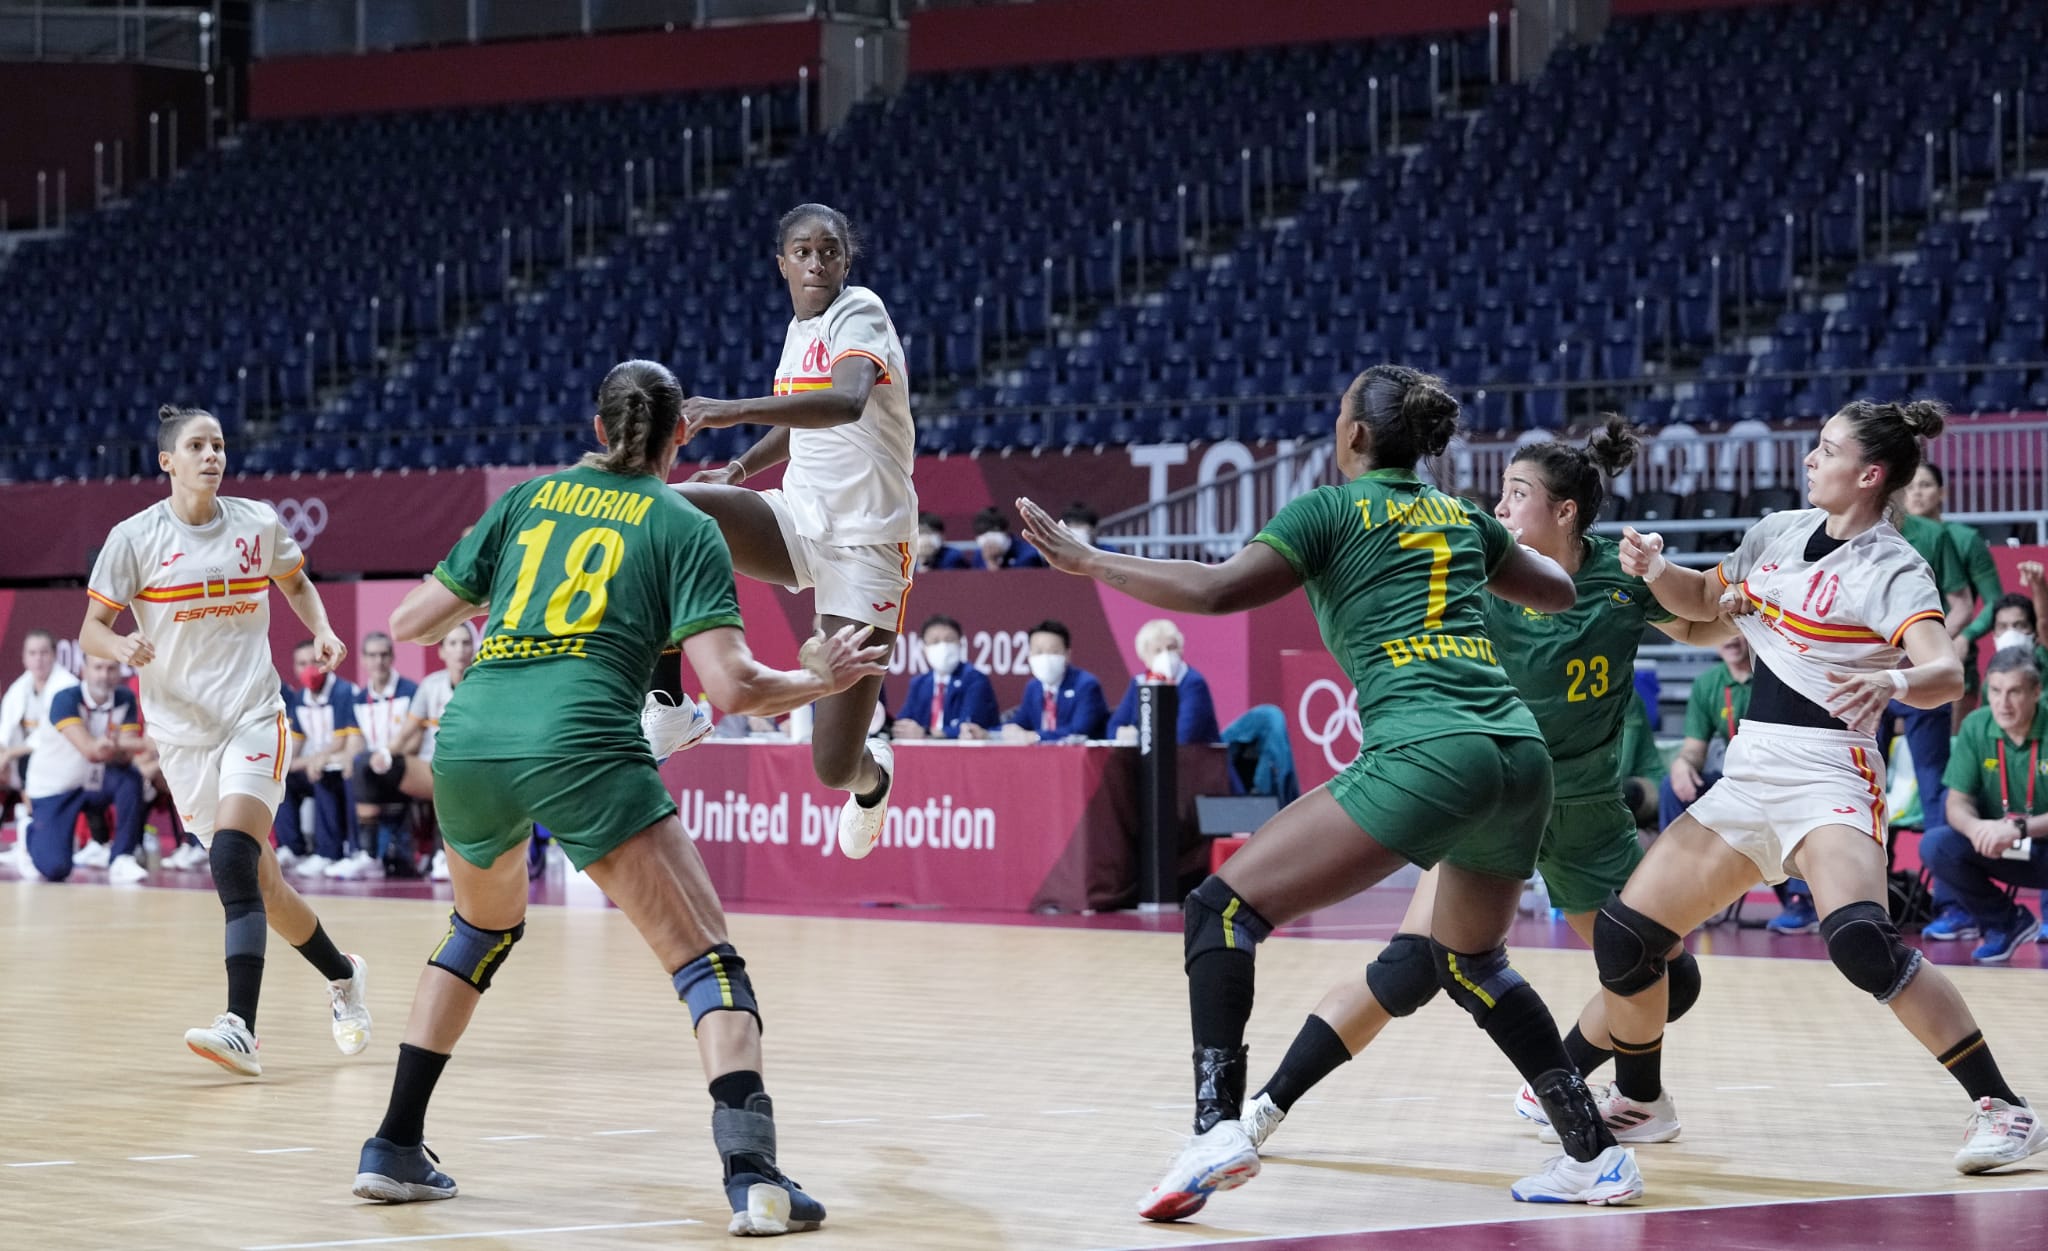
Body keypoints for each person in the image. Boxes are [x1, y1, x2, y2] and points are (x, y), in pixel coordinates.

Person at [1020, 364, 1643, 1215]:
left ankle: (1215, 1129)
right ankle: (1594, 1154)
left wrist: (1092, 561)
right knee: (1471, 958)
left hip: (1432, 748)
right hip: (1519, 753)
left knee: (1221, 910)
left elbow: (1214, 589)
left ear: (1353, 435)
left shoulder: (1328, 510)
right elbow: (1562, 588)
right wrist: (1487, 566)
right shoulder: (1460, 516)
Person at [352, 361, 884, 1236]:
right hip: (583, 741)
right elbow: (736, 687)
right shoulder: (684, 521)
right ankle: (754, 1179)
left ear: (597, 430)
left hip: (474, 737)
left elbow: (410, 622)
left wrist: (503, 595)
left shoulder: (526, 499)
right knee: (708, 964)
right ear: (683, 437)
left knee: (479, 930)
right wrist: (816, 678)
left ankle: (393, 1146)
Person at [1235, 417, 1732, 1156]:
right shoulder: (1477, 567)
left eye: (1516, 493)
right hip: (1499, 792)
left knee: (1663, 975)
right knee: (1409, 969)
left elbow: (1703, 627)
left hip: (1587, 808)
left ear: (1564, 512)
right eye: (1499, 494)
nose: (1499, 508)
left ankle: (1573, 1083)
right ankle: (1267, 1105)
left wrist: (1678, 582)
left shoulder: (1618, 575)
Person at [1607, 399, 2044, 1175]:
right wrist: (1656, 569)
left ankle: (2005, 1109)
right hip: (1752, 769)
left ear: (1869, 474)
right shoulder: (1776, 531)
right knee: (1627, 935)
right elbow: (1705, 605)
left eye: (1827, 448)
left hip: (1829, 772)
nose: (1810, 457)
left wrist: (1897, 682)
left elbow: (1947, 671)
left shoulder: (1892, 567)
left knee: (1860, 943)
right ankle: (1642, 1104)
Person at [81, 404, 370, 1077]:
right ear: (167, 461)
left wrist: (321, 628)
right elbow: (91, 626)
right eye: (197, 445)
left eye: (218, 444)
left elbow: (295, 581)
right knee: (262, 883)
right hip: (182, 736)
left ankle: (240, 1025)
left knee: (235, 857)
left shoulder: (258, 523)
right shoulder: (134, 538)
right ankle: (344, 974)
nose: (212, 455)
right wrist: (120, 641)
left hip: (253, 713)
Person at [674, 203, 913, 863]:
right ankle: (669, 702)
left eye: (829, 250)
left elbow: (845, 400)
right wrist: (744, 465)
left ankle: (876, 777)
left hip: (868, 544)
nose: (816, 262)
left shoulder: (860, 311)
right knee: (670, 508)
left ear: (846, 259)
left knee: (833, 765)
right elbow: (804, 416)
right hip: (801, 514)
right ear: (781, 262)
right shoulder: (797, 327)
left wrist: (730, 411)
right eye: (802, 251)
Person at [1923, 592, 2048, 941]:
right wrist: (1976, 828)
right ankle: (2007, 924)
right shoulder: (1977, 725)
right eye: (1995, 691)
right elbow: (1956, 802)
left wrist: (2019, 829)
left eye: (2014, 692)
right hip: (2003, 844)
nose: (2002, 703)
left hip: (2034, 840)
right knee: (1937, 844)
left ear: (2036, 692)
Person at [22, 655, 149, 883]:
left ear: (120, 672)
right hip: (55, 785)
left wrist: (114, 745)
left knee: (130, 778)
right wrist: (146, 743)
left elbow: (125, 756)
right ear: (84, 670)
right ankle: (29, 832)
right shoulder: (65, 699)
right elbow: (91, 751)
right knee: (56, 869)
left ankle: (122, 857)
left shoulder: (125, 697)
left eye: (111, 668)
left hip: (94, 780)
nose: (104, 675)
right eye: (98, 667)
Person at [1904, 464, 2009, 691]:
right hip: (1900, 654)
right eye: (1909, 487)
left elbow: (1996, 602)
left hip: (1954, 653)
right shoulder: (1891, 538)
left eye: (1925, 485)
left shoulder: (1967, 539)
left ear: (1943, 492)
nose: (1916, 493)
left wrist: (1965, 636)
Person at [276, 639, 368, 880]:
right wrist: (286, 765)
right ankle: (292, 848)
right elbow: (295, 746)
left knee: (323, 774)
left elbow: (341, 742)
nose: (309, 669)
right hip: (313, 763)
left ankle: (330, 852)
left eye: (315, 663)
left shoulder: (344, 692)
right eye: (302, 664)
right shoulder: (298, 700)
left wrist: (317, 760)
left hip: (339, 765)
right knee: (279, 777)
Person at [394, 625, 475, 882]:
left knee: (450, 775)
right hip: (431, 764)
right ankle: (375, 853)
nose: (460, 650)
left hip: (471, 766)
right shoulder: (431, 685)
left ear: (473, 648)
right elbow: (408, 730)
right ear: (441, 651)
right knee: (369, 769)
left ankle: (444, 854)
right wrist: (385, 752)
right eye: (452, 644)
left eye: (465, 643)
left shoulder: (484, 682)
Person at [2, 629, 81, 867]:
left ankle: (33, 833)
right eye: (33, 653)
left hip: (63, 761)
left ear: (55, 655)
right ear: (24, 658)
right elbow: (6, 728)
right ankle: (27, 835)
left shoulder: (67, 686)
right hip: (23, 758)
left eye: (44, 653)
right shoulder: (21, 687)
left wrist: (9, 754)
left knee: (30, 762)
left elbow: (50, 736)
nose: (38, 659)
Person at [351, 631, 421, 877]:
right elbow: (355, 741)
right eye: (372, 655)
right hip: (370, 768)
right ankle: (361, 853)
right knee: (355, 766)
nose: (378, 661)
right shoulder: (359, 698)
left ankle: (369, 855)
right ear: (363, 660)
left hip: (403, 763)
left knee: (362, 767)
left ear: (392, 657)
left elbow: (415, 740)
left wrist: (387, 755)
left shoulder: (410, 690)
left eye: (383, 655)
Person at [1106, 619, 1221, 745]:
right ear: (1144, 656)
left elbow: (1184, 736)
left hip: (1195, 761)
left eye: (1171, 648)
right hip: (1147, 760)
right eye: (1158, 651)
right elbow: (1113, 730)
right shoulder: (1139, 682)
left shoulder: (1193, 683)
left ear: (1181, 650)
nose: (1166, 655)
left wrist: (1136, 735)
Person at [891, 614, 999, 740]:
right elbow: (904, 721)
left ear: (960, 643)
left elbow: (969, 728)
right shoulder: (919, 683)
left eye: (949, 640)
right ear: (924, 648)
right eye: (935, 641)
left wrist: (927, 733)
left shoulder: (975, 680)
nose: (943, 647)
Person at [1000, 620, 1109, 742]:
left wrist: (1036, 737)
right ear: (1029, 655)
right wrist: (990, 733)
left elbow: (1079, 731)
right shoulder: (1033, 687)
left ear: (1067, 655)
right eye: (1039, 651)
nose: (1045, 657)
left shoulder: (1086, 685)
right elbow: (1019, 723)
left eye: (1054, 651)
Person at [971, 505, 1045, 570]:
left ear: (1005, 533)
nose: (989, 543)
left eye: (993, 536)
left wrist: (992, 562)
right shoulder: (979, 556)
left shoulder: (1028, 556)